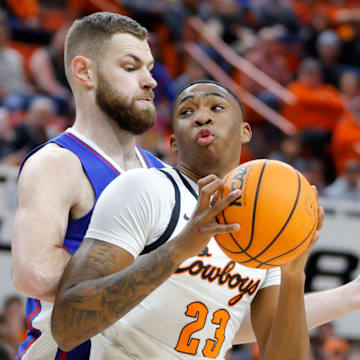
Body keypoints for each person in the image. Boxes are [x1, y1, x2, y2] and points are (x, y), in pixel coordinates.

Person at [51, 80, 319, 359]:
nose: (202, 116)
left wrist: (293, 275)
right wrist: (180, 249)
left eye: (216, 107)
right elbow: (66, 328)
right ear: (174, 141)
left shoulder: (266, 225)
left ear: (245, 132)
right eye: (186, 112)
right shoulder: (146, 189)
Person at [11, 12, 164, 360]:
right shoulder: (59, 163)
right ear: (85, 73)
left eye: (150, 68)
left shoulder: (164, 176)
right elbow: (34, 272)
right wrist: (164, 274)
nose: (150, 81)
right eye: (131, 67)